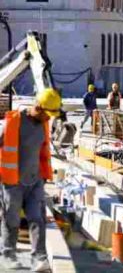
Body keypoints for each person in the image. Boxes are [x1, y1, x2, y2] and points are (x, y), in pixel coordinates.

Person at [0, 88, 61, 271]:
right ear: (39, 108)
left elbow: (42, 151)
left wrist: (43, 177)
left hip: (35, 180)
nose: (50, 118)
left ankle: (38, 259)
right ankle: (8, 254)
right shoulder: (14, 121)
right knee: (11, 220)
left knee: (38, 219)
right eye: (48, 114)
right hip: (13, 182)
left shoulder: (43, 124)